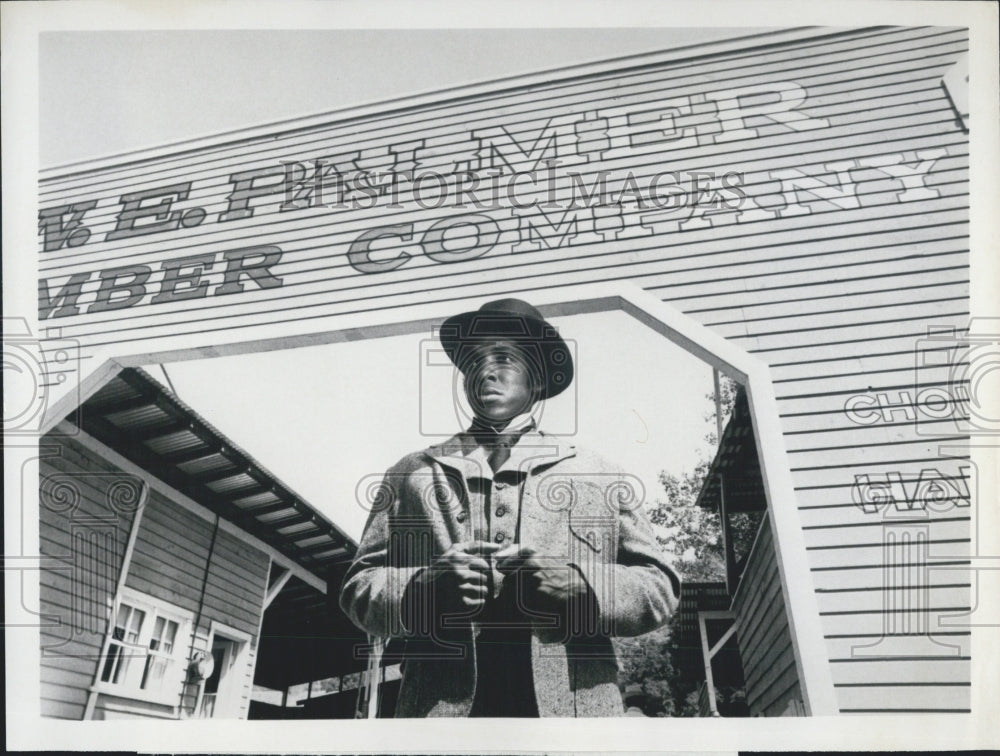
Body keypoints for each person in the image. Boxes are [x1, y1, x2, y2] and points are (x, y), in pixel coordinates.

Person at [339, 298, 680, 717]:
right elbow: (358, 588)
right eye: (474, 362)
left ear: (537, 379)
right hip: (438, 719)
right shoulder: (411, 473)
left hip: (575, 720)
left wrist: (583, 587)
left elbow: (660, 588)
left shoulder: (599, 473)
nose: (486, 371)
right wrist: (423, 590)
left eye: (503, 357)